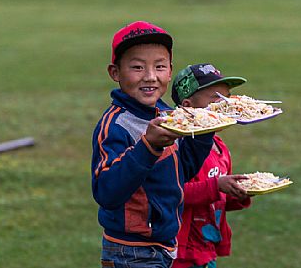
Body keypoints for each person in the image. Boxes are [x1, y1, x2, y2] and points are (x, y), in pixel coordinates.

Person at [91, 21, 215, 268]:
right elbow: (106, 192)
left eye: (159, 66)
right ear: (115, 72)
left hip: (165, 244)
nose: (150, 76)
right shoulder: (116, 126)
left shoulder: (168, 114)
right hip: (129, 250)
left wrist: (205, 130)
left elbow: (184, 170)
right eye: (137, 67)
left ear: (170, 70)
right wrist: (148, 146)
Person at [170, 63, 252, 268]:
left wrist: (240, 191)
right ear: (188, 106)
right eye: (216, 98)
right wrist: (217, 185)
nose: (226, 105)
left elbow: (220, 197)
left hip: (207, 251)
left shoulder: (219, 147)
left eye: (228, 98)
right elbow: (170, 193)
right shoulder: (177, 147)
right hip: (179, 253)